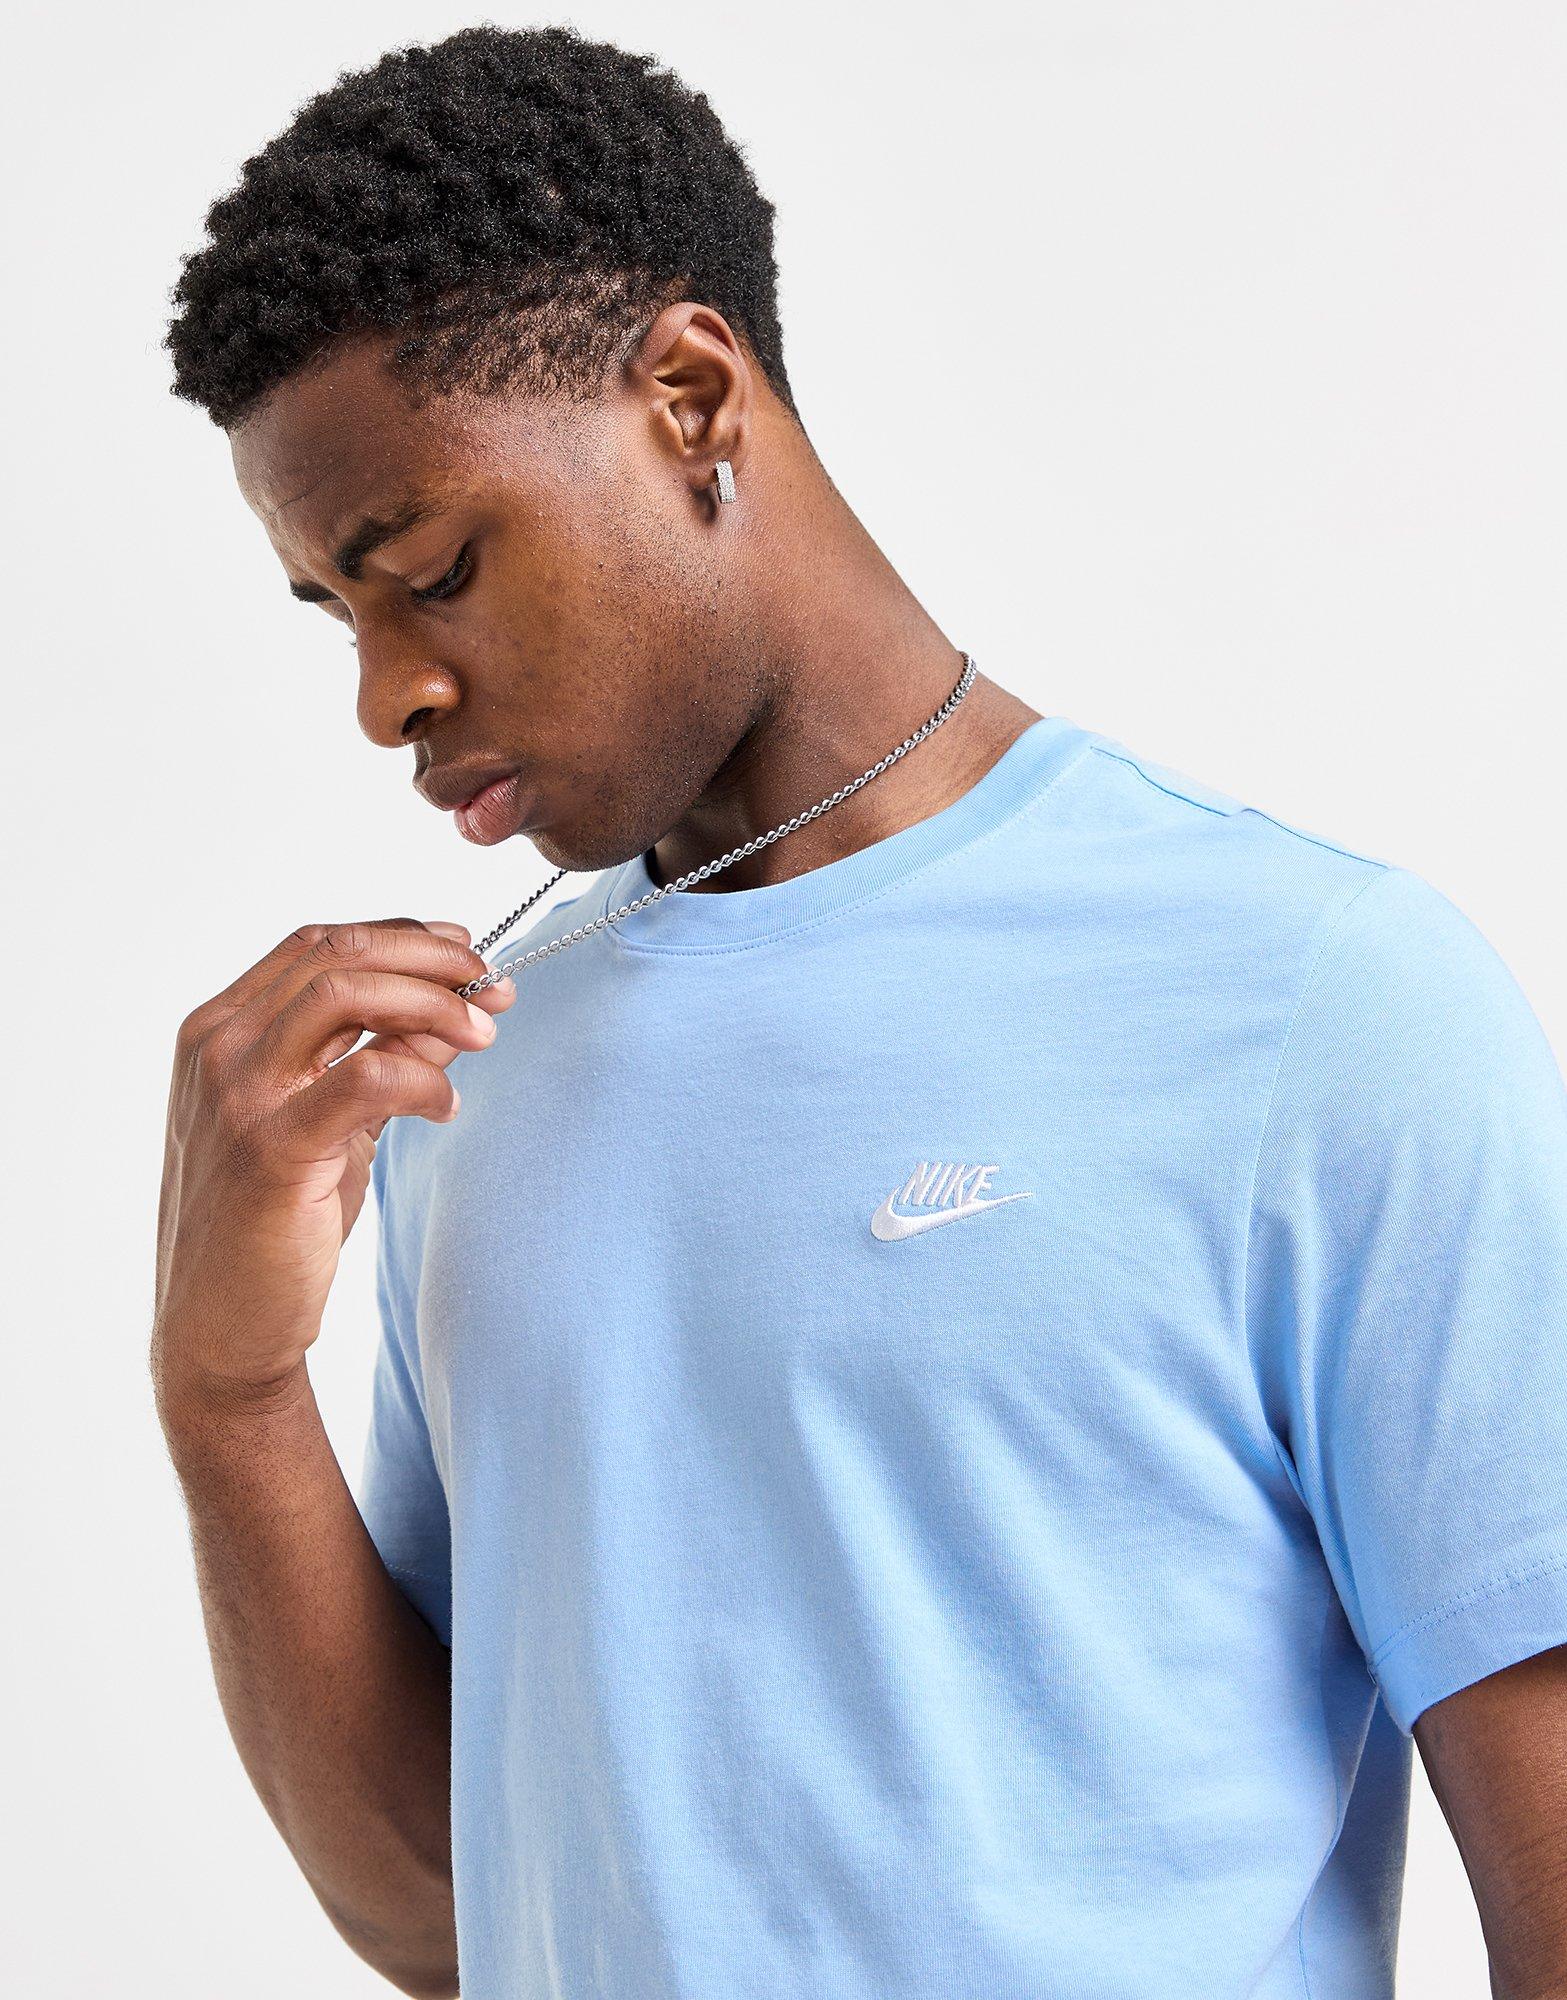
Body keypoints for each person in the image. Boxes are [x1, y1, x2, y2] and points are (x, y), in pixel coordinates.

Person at [152, 24, 1567, 2000]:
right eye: (339, 612)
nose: (387, 695)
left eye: (437, 571)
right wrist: (227, 1396)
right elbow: (449, 1912)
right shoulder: (477, 1074)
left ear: (688, 398)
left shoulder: (1316, 998)